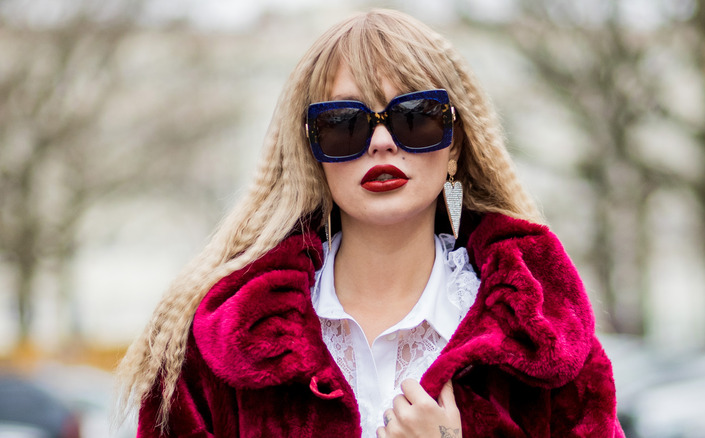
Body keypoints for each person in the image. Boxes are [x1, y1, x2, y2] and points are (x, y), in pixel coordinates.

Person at [117, 9, 624, 438]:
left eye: (415, 117)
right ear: (313, 154)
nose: (382, 143)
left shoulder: (543, 336)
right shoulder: (219, 345)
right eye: (344, 123)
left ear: (456, 146)